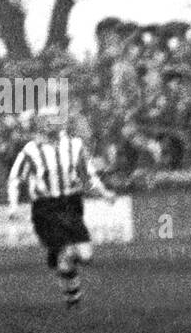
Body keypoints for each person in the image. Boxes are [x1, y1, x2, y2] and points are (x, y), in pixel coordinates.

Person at [8, 106, 117, 308]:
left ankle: (60, 260)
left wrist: (104, 193)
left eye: (54, 118)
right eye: (46, 119)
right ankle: (73, 299)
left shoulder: (75, 146)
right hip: (45, 207)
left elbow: (88, 176)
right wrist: (13, 206)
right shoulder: (31, 150)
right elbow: (15, 179)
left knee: (85, 255)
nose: (51, 123)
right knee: (66, 251)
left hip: (71, 203)